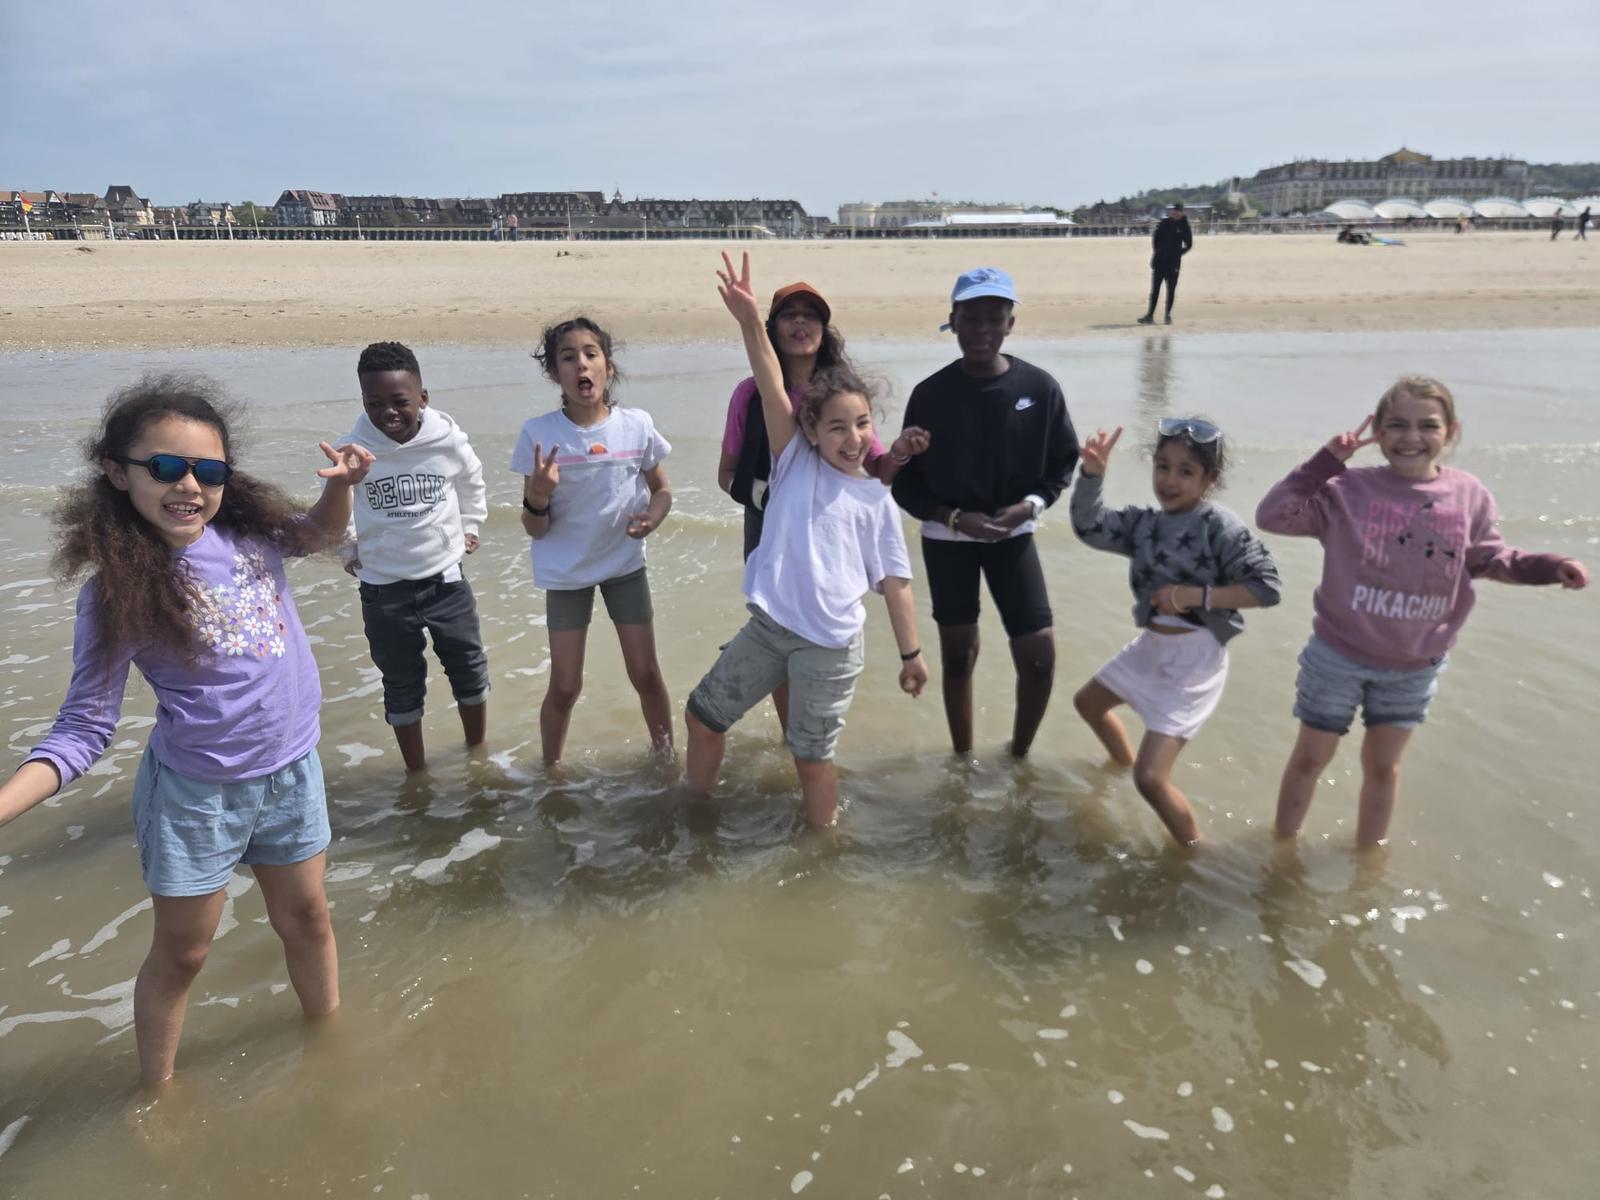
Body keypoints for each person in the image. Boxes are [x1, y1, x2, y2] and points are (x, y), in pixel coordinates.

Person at [0, 375, 374, 1084]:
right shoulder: (117, 592)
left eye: (210, 471)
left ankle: (330, 1051)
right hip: (197, 798)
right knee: (184, 954)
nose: (190, 487)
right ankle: (157, 1092)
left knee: (309, 922)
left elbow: (321, 535)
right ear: (118, 472)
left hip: (292, 774)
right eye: (167, 467)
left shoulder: (251, 536)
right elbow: (83, 729)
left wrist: (341, 490)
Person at [1256, 376, 1588, 847]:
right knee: (1311, 757)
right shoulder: (1347, 489)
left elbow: (1493, 559)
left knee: (1384, 769)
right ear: (1377, 432)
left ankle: (1368, 861)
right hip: (1337, 656)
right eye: (1396, 425)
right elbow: (1273, 515)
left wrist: (1550, 567)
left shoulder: (1468, 494)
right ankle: (1282, 847)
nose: (1411, 437)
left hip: (1414, 667)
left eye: (1427, 425)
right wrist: (1326, 461)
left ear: (1451, 431)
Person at [687, 253, 929, 828]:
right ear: (810, 430)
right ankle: (692, 815)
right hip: (771, 627)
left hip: (831, 644)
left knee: (811, 760)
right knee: (702, 716)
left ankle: (823, 849)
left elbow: (895, 582)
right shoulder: (791, 456)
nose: (853, 438)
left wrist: (912, 655)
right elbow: (770, 384)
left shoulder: (874, 498)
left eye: (862, 425)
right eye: (837, 427)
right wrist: (749, 319)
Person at [717, 280, 927, 729]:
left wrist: (899, 453)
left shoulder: (841, 397)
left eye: (810, 315)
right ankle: (789, 734)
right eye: (789, 315)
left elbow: (876, 471)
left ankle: (810, 733)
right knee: (774, 632)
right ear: (772, 329)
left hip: (830, 530)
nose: (800, 323)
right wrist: (770, 497)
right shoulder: (751, 396)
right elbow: (726, 474)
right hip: (768, 527)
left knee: (822, 628)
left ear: (824, 329)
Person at [891, 267, 1079, 759]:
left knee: (1038, 657)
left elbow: (1062, 462)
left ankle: (1019, 759)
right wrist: (954, 518)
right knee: (958, 656)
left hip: (1012, 535)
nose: (981, 330)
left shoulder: (1039, 388)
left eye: (994, 318)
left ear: (1010, 323)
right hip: (947, 539)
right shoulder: (930, 394)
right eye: (970, 318)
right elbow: (905, 485)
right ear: (952, 322)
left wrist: (1029, 507)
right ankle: (962, 762)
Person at [1069, 419, 1281, 846]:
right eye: (1162, 466)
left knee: (1152, 778)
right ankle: (1121, 767)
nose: (1169, 480)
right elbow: (1090, 527)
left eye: (1186, 471)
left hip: (1195, 660)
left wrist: (1190, 596)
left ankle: (1193, 852)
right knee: (1088, 704)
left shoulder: (1219, 526)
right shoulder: (1144, 524)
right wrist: (1091, 476)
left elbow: (1266, 588)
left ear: (1209, 479)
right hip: (1152, 646)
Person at [512, 317, 674, 764]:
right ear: (554, 373)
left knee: (645, 673)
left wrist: (652, 518)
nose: (581, 365)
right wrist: (539, 495)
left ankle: (666, 760)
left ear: (608, 366)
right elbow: (534, 528)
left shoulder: (637, 425)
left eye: (590, 354)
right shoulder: (539, 435)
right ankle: (550, 771)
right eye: (568, 358)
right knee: (565, 686)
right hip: (567, 574)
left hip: (624, 566)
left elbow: (662, 489)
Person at [342, 342, 489, 772]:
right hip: (383, 591)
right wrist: (348, 547)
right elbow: (340, 501)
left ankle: (476, 756)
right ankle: (416, 774)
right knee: (401, 685)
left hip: (446, 582)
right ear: (363, 402)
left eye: (399, 401)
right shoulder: (353, 451)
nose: (388, 412)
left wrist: (471, 524)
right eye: (375, 403)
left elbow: (472, 479)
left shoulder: (447, 441)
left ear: (422, 397)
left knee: (469, 670)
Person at [1137, 202, 1192, 325]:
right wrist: (1157, 252)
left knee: (1170, 290)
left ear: (1182, 213)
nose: (1176, 213)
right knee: (1155, 290)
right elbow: (1155, 238)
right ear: (1172, 211)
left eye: (1178, 211)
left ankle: (1167, 316)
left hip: (1173, 265)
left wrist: (1178, 253)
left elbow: (1189, 245)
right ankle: (1150, 316)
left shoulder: (1184, 226)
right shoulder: (1164, 223)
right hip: (1159, 262)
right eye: (1174, 210)